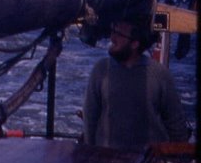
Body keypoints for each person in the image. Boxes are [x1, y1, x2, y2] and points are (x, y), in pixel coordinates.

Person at [82, 15, 191, 151]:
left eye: (119, 34)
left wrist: (178, 159)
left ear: (135, 43)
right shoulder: (100, 70)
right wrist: (92, 154)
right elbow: (90, 117)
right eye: (113, 31)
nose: (112, 38)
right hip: (108, 160)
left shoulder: (160, 75)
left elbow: (176, 123)